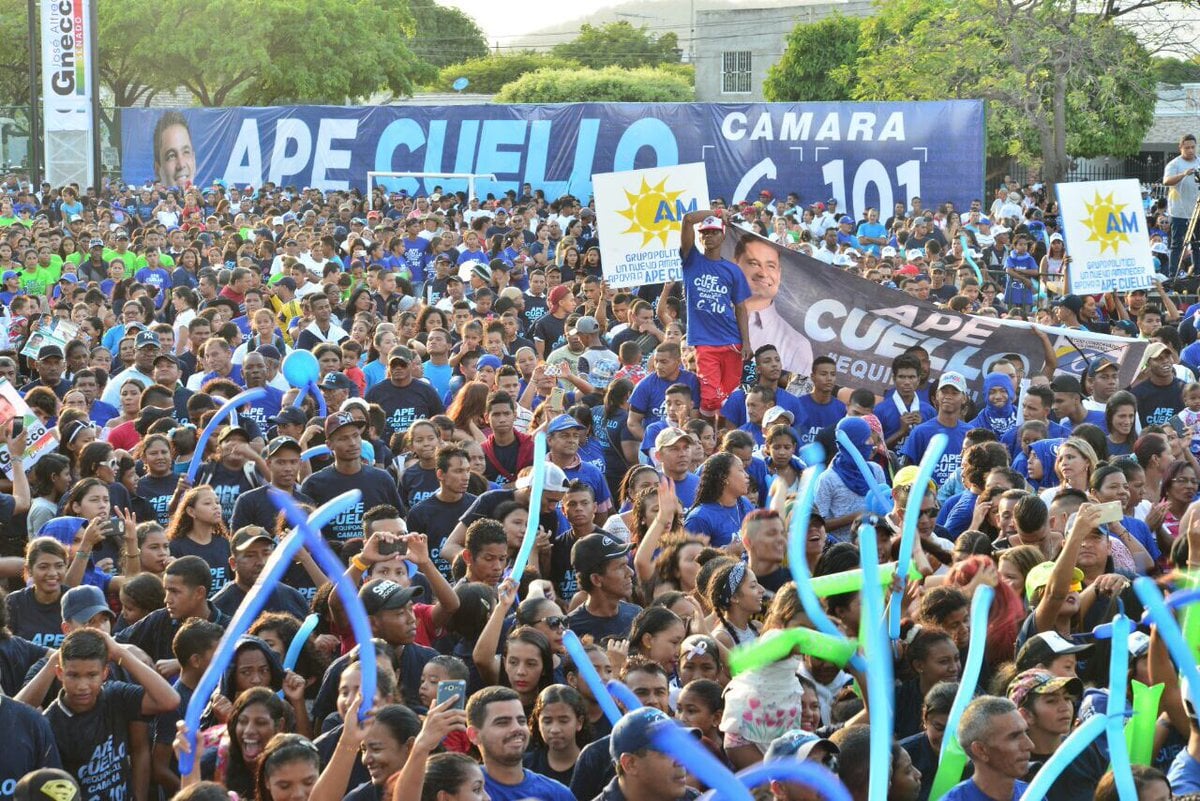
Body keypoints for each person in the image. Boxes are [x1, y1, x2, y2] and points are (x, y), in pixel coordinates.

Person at [44, 627, 181, 801]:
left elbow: (170, 700)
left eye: (91, 675)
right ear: (60, 673)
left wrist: (118, 652)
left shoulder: (115, 695)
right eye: (73, 675)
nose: (82, 685)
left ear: (105, 673)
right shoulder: (50, 723)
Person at [677, 210, 752, 418]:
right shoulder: (691, 260)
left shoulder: (733, 270)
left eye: (713, 232)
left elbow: (740, 308)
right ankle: (708, 441)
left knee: (729, 399)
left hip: (731, 341)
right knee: (710, 399)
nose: (708, 236)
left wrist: (746, 342)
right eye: (705, 233)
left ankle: (723, 443)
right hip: (705, 342)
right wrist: (717, 213)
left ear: (723, 235)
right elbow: (688, 220)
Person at [466, 685, 575, 801]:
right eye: (503, 722)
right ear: (474, 735)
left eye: (521, 721)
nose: (517, 728)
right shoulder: (461, 790)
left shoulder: (558, 794)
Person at [734, 234, 814, 380]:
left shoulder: (797, 344)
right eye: (753, 263)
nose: (763, 273)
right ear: (735, 265)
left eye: (771, 266)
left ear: (779, 273)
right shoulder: (712, 320)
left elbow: (798, 395)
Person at [941, 696, 1033, 801]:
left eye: (1026, 732)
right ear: (981, 750)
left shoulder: (1034, 794)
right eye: (1014, 736)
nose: (1030, 745)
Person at [1164, 133, 1200, 277]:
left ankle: (1197, 272)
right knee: (1177, 244)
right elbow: (1166, 181)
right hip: (1178, 212)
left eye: (1193, 147)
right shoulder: (1175, 164)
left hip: (1196, 212)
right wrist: (1183, 174)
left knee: (1197, 244)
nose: (1190, 150)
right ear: (1180, 148)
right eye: (1187, 148)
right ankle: (1173, 274)